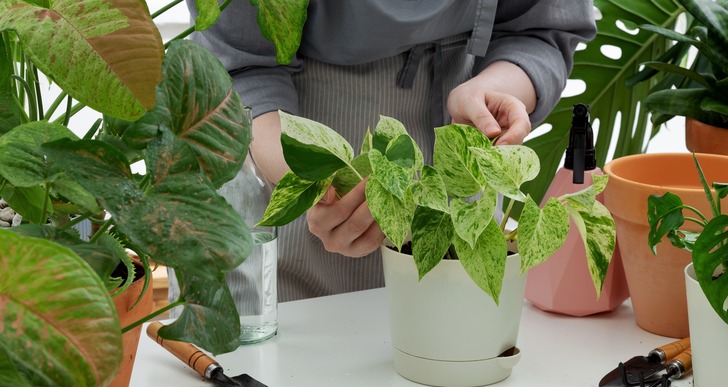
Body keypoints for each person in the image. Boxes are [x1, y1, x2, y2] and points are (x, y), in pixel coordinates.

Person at [184, 0, 597, 302]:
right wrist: (315, 185)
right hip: (286, 146)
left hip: (457, 136)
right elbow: (242, 64)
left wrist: (496, 91)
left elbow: (539, 28)